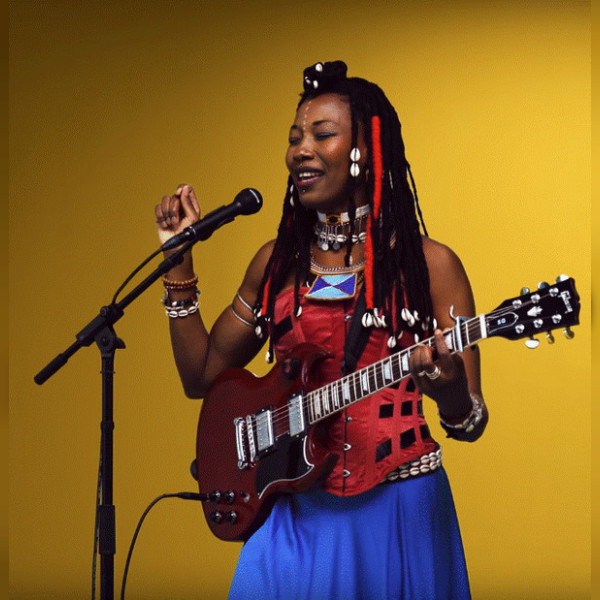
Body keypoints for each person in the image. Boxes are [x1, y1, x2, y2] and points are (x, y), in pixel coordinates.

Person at [154, 61, 488, 600]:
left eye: (322, 134)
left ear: (365, 152)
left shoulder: (431, 266)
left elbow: (470, 419)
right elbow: (203, 376)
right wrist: (178, 262)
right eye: (294, 138)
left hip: (398, 509)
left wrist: (447, 387)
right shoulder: (276, 264)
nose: (299, 150)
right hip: (292, 508)